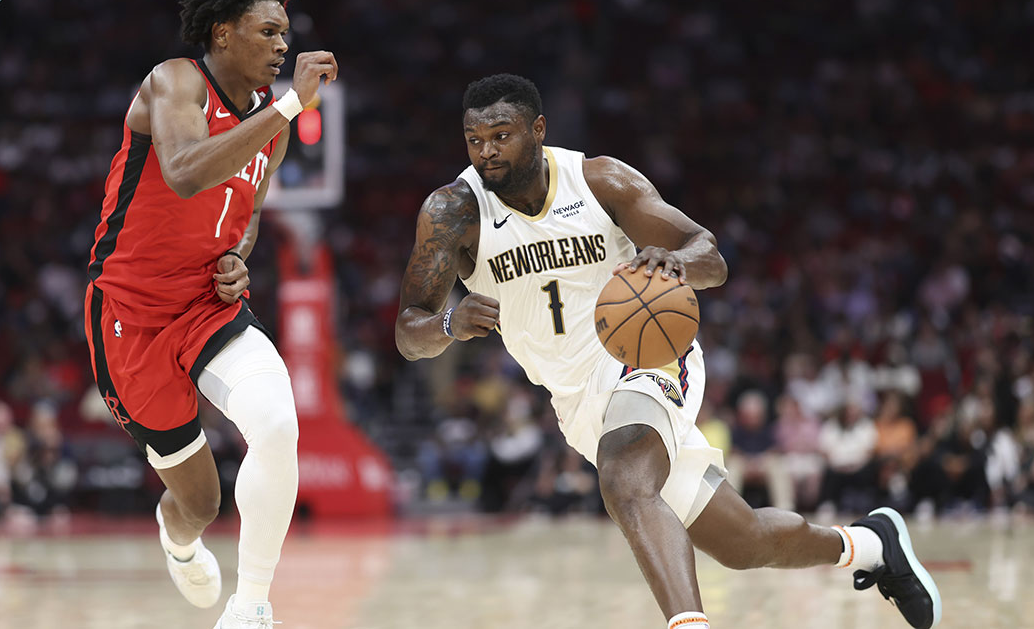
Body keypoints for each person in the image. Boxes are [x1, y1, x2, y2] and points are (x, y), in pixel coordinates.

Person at [395, 74, 942, 629]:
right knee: (743, 543)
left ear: (538, 130)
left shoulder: (600, 182)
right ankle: (873, 544)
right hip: (576, 401)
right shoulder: (452, 213)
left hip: (646, 351)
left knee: (624, 481)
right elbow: (408, 332)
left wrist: (676, 263)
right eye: (474, 139)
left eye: (501, 136)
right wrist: (447, 321)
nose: (486, 152)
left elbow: (710, 254)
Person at [83, 0, 337, 628]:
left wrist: (236, 256)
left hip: (206, 306)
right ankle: (178, 538)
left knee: (279, 425)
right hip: (130, 316)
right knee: (200, 503)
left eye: (287, 33)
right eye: (268, 31)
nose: (283, 46)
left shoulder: (274, 129)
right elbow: (189, 172)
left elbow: (245, 211)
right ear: (223, 32)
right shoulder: (174, 82)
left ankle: (252, 604)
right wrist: (289, 104)